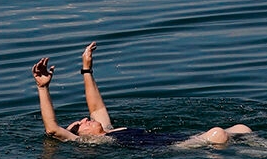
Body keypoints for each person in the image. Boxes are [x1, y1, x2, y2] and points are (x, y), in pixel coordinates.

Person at [32, 41, 253, 147]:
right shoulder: (94, 143)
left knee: (243, 128)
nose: (83, 119)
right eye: (78, 124)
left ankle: (261, 152)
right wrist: (43, 88)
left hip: (181, 137)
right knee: (217, 134)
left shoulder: (109, 129)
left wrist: (87, 68)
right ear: (80, 135)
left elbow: (96, 108)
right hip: (177, 149)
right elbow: (52, 129)